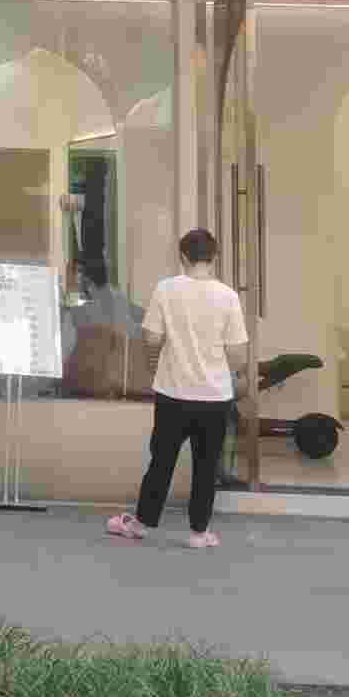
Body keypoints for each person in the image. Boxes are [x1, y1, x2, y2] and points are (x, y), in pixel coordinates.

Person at [108, 226, 247, 550]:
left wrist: (160, 356)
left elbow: (152, 338)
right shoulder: (227, 296)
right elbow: (238, 353)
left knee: (162, 461)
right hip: (214, 397)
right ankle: (199, 532)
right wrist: (223, 370)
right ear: (214, 258)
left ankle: (141, 524)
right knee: (206, 466)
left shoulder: (166, 290)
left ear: (183, 257)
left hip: (173, 394)